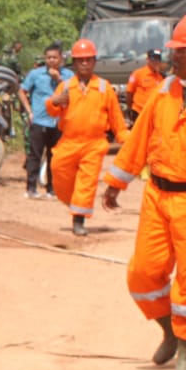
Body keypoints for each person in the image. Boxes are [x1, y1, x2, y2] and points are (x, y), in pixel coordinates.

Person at [102, 14, 186, 370]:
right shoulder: (164, 90)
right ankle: (169, 333)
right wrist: (117, 181)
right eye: (175, 51)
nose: (176, 58)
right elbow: (140, 137)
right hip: (157, 194)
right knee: (143, 273)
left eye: (184, 52)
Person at [46, 38, 128, 237]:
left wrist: (125, 137)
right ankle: (73, 202)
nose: (84, 63)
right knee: (58, 172)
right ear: (73, 63)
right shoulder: (65, 86)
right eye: (80, 60)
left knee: (86, 182)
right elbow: (52, 111)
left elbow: (116, 117)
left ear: (94, 62)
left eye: (88, 60)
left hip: (94, 144)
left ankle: (78, 220)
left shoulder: (103, 87)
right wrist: (54, 101)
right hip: (69, 142)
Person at [19, 43, 67, 199]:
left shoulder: (68, 75)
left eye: (55, 57)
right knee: (34, 155)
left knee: (54, 157)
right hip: (39, 120)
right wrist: (29, 111)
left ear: (61, 59)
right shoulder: (35, 74)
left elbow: (73, 94)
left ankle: (51, 189)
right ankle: (31, 188)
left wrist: (59, 80)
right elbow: (22, 91)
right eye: (49, 57)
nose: (52, 60)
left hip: (58, 121)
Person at [125, 49, 168, 124]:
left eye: (158, 59)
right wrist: (130, 109)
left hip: (155, 114)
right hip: (140, 112)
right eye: (153, 59)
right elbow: (129, 93)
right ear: (147, 60)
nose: (156, 62)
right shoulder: (138, 74)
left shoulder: (162, 77)